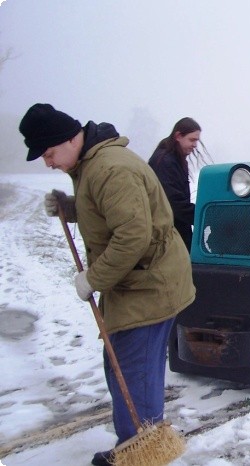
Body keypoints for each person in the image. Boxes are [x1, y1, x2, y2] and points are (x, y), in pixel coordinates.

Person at [19, 103, 196, 466]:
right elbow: (108, 210)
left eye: (49, 153)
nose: (48, 163)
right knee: (120, 367)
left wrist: (92, 279)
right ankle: (133, 447)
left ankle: (144, 453)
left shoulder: (110, 168)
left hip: (149, 285)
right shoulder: (91, 165)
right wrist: (70, 208)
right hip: (133, 284)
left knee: (134, 374)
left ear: (70, 139)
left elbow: (132, 236)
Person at [148, 117, 209, 251]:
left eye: (197, 141)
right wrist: (204, 216)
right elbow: (172, 202)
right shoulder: (164, 162)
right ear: (178, 136)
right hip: (166, 234)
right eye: (192, 140)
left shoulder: (177, 160)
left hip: (177, 231)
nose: (194, 145)